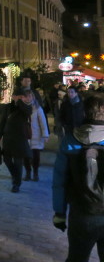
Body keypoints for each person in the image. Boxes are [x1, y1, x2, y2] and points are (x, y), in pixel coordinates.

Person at [53, 93, 104, 261]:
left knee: (77, 258)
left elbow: (59, 181)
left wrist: (59, 212)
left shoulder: (69, 140)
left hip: (82, 212)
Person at [0, 88, 33, 193]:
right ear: (13, 97)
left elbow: (27, 112)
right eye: (17, 96)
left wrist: (20, 102)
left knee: (18, 162)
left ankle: (16, 184)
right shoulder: (8, 107)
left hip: (20, 138)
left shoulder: (26, 107)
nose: (19, 98)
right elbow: (2, 122)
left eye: (21, 97)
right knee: (7, 160)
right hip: (8, 137)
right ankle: (15, 176)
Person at [24, 88, 50, 181]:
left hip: (36, 135)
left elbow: (43, 122)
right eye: (26, 96)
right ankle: (28, 172)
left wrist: (45, 135)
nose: (28, 98)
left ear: (33, 97)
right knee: (26, 156)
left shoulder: (38, 108)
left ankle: (35, 173)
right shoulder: (21, 108)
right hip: (25, 136)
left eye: (29, 96)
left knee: (35, 156)